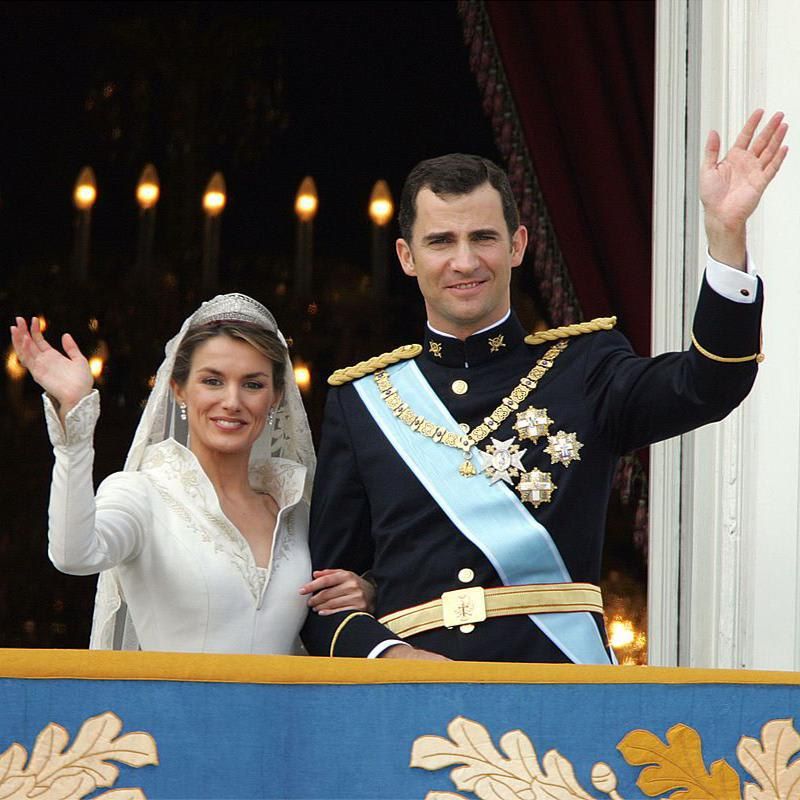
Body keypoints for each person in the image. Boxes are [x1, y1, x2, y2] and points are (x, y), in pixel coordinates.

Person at [300, 109, 788, 663]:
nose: (464, 261)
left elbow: (711, 382)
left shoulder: (585, 368)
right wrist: (389, 654)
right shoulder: (362, 401)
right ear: (408, 258)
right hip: (413, 702)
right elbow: (325, 602)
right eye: (441, 241)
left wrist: (726, 238)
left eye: (483, 237)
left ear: (517, 246)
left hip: (560, 691)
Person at [11, 293, 373, 653]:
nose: (232, 401)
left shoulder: (298, 505)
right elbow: (74, 555)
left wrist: (363, 592)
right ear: (178, 389)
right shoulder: (140, 492)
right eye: (212, 381)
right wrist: (73, 431)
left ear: (276, 396)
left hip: (285, 711)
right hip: (170, 711)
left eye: (253, 384)